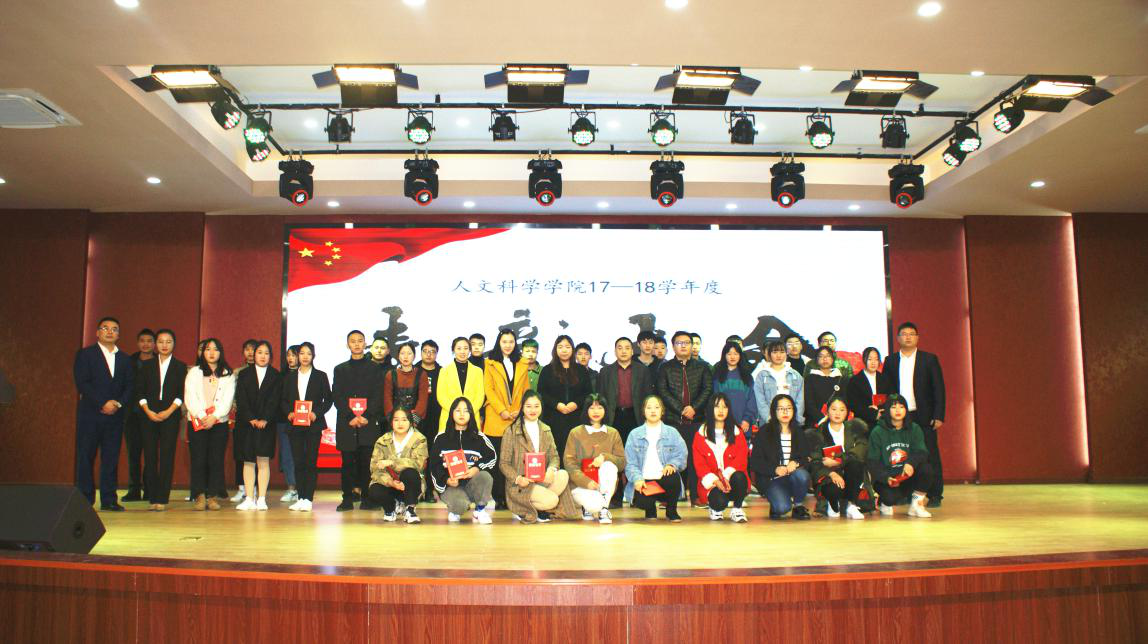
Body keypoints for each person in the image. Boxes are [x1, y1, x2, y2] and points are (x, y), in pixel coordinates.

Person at [73, 316, 135, 511]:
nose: (110, 332)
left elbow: (130, 386)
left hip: (115, 416)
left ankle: (108, 500)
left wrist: (117, 403)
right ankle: (85, 499)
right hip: (90, 415)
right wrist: (102, 403)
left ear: (119, 334)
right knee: (86, 457)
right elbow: (82, 382)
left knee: (111, 458)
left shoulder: (125, 359)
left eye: (114, 329)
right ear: (97, 332)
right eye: (105, 328)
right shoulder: (86, 354)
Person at [883, 322, 946, 507]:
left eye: (912, 334)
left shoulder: (929, 359)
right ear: (898, 338)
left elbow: (939, 389)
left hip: (924, 415)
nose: (908, 337)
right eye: (904, 334)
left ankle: (935, 495)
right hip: (899, 416)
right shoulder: (891, 361)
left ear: (917, 338)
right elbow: (886, 390)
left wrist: (939, 415)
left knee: (930, 454)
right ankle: (905, 492)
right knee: (901, 454)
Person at [500, 390, 579, 523]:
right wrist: (518, 479)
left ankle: (539, 507)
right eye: (528, 406)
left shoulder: (546, 429)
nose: (533, 410)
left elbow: (554, 457)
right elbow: (503, 463)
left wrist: (551, 470)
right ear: (522, 408)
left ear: (541, 407)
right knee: (553, 500)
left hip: (541, 480)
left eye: (536, 406)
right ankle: (526, 508)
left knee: (563, 474)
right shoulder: (511, 430)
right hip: (522, 484)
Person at [655, 330, 712, 505]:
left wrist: (694, 408)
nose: (683, 346)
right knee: (672, 458)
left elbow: (708, 389)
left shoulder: (703, 367)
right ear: (673, 347)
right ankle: (671, 496)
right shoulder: (665, 367)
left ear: (692, 345)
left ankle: (696, 496)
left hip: (697, 420)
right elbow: (663, 391)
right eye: (679, 343)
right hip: (673, 421)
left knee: (696, 459)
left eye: (687, 342)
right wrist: (681, 409)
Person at [332, 330, 384, 511]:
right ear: (348, 344)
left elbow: (378, 395)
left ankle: (367, 499)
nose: (356, 344)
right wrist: (351, 416)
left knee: (366, 463)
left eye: (360, 341)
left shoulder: (375, 369)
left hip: (368, 423)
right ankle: (347, 499)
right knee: (347, 464)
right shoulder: (340, 369)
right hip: (347, 424)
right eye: (353, 341)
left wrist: (365, 416)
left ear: (365, 343)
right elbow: (337, 396)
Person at [134, 329, 185, 511]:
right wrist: (147, 411)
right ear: (156, 344)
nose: (164, 345)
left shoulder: (180, 366)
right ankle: (152, 497)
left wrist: (169, 411)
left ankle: (162, 498)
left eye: (168, 341)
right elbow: (139, 391)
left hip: (170, 416)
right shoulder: (147, 365)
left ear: (174, 344)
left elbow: (181, 394)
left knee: (167, 456)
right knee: (150, 456)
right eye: (161, 341)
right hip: (148, 415)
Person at [184, 338, 235, 511]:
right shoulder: (194, 372)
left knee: (216, 460)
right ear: (202, 352)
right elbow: (190, 397)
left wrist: (214, 417)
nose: (211, 353)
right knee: (198, 459)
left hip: (218, 423)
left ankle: (212, 496)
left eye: (215, 349)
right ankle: (199, 496)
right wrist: (202, 416)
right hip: (197, 422)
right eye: (208, 349)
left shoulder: (227, 373)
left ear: (221, 352)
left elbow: (228, 399)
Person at [428, 397, 497, 523]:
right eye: (458, 410)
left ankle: (480, 510)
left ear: (471, 414)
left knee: (485, 476)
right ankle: (456, 508)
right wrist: (446, 479)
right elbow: (434, 465)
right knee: (460, 506)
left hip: (472, 485)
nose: (462, 414)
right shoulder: (441, 438)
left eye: (466, 411)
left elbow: (492, 457)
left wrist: (477, 468)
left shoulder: (479, 437)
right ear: (451, 413)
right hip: (452, 487)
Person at [282, 341, 332, 512]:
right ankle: (300, 497)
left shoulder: (320, 376)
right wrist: (289, 412)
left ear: (313, 356)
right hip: (294, 425)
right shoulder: (289, 377)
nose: (305, 357)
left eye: (308, 353)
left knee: (310, 461)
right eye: (302, 353)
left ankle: (308, 498)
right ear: (298, 356)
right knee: (298, 461)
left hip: (313, 425)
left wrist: (316, 413)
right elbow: (283, 400)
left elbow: (328, 400)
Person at [482, 329, 530, 508]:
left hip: (516, 417)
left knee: (513, 459)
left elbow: (526, 390)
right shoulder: (490, 363)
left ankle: (513, 497)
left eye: (511, 342)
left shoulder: (522, 363)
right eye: (504, 342)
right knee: (497, 460)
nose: (508, 345)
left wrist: (520, 410)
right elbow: (489, 390)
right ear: (498, 343)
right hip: (496, 416)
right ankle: (498, 497)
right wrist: (501, 410)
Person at [234, 341, 282, 511]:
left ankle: (261, 498)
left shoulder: (276, 375)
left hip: (266, 425)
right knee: (248, 461)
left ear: (271, 356)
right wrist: (251, 418)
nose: (263, 356)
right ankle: (249, 498)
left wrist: (265, 419)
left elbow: (275, 400)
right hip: (246, 424)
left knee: (263, 460)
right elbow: (241, 399)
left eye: (266, 353)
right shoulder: (244, 374)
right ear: (254, 355)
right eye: (259, 352)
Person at [867, 394, 933, 518]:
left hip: (906, 475)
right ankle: (884, 502)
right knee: (890, 498)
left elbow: (922, 452)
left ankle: (916, 505)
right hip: (888, 479)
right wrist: (885, 477)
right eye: (893, 407)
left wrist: (911, 463)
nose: (898, 410)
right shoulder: (877, 432)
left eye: (901, 407)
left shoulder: (914, 428)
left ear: (906, 410)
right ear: (887, 410)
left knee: (926, 469)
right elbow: (872, 462)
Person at [563, 393, 625, 523]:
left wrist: (605, 457)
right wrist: (586, 482)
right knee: (595, 505)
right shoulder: (575, 433)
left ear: (605, 410)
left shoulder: (613, 433)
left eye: (600, 408)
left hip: (604, 487)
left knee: (609, 465)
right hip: (581, 485)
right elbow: (569, 464)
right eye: (592, 408)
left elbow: (622, 462)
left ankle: (603, 511)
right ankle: (592, 507)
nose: (596, 412)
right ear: (586, 410)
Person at [624, 395, 686, 522]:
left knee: (673, 476)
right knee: (642, 502)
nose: (653, 411)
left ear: (662, 411)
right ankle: (650, 509)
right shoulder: (634, 434)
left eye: (657, 407)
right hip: (644, 481)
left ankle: (671, 510)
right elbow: (630, 463)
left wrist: (672, 464)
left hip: (664, 479)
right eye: (649, 407)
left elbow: (682, 455)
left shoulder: (672, 432)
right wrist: (637, 479)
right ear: (643, 411)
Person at [749, 394, 812, 520]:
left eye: (788, 408)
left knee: (802, 475)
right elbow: (755, 462)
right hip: (771, 479)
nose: (785, 412)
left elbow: (807, 457)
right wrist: (775, 469)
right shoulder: (764, 432)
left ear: (794, 410)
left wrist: (796, 463)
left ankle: (798, 506)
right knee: (782, 508)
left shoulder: (798, 432)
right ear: (774, 411)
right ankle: (777, 502)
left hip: (792, 477)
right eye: (781, 409)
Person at [809, 397, 870, 520]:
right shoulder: (818, 433)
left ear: (847, 412)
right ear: (827, 411)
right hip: (829, 475)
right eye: (834, 409)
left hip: (850, 473)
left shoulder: (855, 430)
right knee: (832, 489)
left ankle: (851, 505)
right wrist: (830, 473)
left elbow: (859, 453)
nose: (838, 413)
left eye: (842, 410)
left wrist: (839, 461)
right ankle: (832, 503)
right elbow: (815, 461)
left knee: (856, 464)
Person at [692, 393, 750, 522]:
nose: (721, 410)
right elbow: (700, 465)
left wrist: (726, 477)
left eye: (725, 407)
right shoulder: (700, 435)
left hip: (732, 481)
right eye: (717, 406)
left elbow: (741, 460)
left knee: (740, 476)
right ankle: (715, 508)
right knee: (719, 502)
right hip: (713, 484)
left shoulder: (737, 432)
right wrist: (715, 481)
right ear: (710, 409)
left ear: (729, 410)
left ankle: (737, 509)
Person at [368, 406, 428, 523]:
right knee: (374, 489)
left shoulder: (419, 439)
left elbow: (418, 464)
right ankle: (390, 508)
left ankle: (410, 509)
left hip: (411, 484)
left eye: (404, 419)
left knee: (410, 473)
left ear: (410, 422)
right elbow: (375, 468)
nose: (400, 423)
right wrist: (391, 482)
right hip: (390, 484)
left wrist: (392, 462)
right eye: (396, 420)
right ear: (391, 422)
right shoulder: (382, 441)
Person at [538, 335, 593, 456]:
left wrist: (576, 404)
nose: (564, 350)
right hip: (554, 418)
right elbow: (541, 393)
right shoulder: (547, 370)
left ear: (572, 350)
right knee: (556, 452)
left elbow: (588, 393)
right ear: (555, 349)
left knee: (577, 452)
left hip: (577, 417)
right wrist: (557, 405)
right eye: (560, 347)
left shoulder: (581, 370)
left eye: (567, 347)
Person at [596, 337, 653, 449]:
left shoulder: (643, 370)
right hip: (613, 416)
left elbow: (648, 395)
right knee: (614, 450)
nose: (623, 351)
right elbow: (600, 397)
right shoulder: (605, 371)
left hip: (636, 416)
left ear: (632, 351)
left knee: (636, 449)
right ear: (615, 351)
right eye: (620, 348)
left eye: (627, 348)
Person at [121, 328, 155, 503]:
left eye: (149, 341)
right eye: (142, 340)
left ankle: (149, 489)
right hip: (132, 414)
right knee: (133, 454)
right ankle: (133, 490)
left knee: (151, 454)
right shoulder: (129, 361)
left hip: (152, 415)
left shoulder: (160, 362)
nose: (146, 344)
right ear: (137, 343)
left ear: (154, 344)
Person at [435, 337, 486, 433]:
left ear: (470, 350)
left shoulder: (478, 371)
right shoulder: (444, 371)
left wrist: (468, 412)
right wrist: (456, 411)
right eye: (459, 348)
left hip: (472, 416)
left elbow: (480, 396)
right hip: (449, 416)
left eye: (466, 348)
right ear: (453, 350)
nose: (462, 352)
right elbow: (441, 396)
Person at [230, 339, 258, 504]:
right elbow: (232, 395)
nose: (250, 353)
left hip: (258, 419)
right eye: (247, 349)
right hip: (241, 418)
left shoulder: (264, 371)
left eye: (253, 349)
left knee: (257, 454)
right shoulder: (237, 372)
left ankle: (255, 488)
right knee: (240, 453)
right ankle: (241, 488)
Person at [752, 341, 805, 427]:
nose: (778, 355)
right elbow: (760, 400)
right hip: (768, 423)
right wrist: (769, 418)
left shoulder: (795, 375)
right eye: (775, 352)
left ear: (786, 353)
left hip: (791, 422)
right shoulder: (762, 375)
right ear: (769, 354)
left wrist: (795, 419)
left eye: (782, 352)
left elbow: (800, 400)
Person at [713, 342, 759, 433]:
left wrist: (747, 419)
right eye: (729, 354)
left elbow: (752, 400)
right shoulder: (718, 376)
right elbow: (714, 402)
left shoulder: (747, 377)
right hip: (722, 424)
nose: (732, 357)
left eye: (736, 354)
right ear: (724, 356)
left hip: (743, 425)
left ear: (740, 356)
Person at [383, 342, 430, 428]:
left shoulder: (421, 374)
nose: (405, 356)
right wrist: (393, 419)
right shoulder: (390, 374)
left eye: (409, 353)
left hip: (415, 422)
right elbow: (387, 400)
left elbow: (423, 400)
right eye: (402, 353)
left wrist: (413, 421)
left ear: (414, 356)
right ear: (398, 356)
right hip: (395, 421)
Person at [417, 339, 441, 502]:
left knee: (433, 454)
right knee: (417, 454)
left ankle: (430, 490)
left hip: (436, 419)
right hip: (417, 419)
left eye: (432, 352)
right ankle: (417, 489)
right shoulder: (415, 370)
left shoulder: (442, 371)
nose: (428, 354)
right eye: (425, 351)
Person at [846, 347, 892, 429]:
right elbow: (853, 404)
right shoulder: (855, 380)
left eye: (876, 359)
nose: (873, 362)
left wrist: (880, 411)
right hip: (863, 423)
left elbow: (889, 398)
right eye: (870, 359)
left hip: (883, 422)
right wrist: (872, 413)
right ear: (864, 360)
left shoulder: (884, 379)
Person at [277, 345, 300, 505]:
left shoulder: (307, 374)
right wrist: (288, 412)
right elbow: (278, 398)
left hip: (304, 420)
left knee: (301, 454)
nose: (291, 358)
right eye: (288, 355)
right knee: (287, 454)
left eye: (294, 355)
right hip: (284, 420)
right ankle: (291, 487)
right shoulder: (281, 376)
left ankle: (301, 488)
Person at [804, 347, 849, 428]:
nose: (824, 359)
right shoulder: (810, 379)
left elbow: (845, 401)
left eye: (828, 356)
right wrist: (821, 418)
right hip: (816, 423)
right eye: (821, 356)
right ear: (816, 360)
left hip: (838, 421)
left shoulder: (841, 379)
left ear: (832, 359)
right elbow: (808, 403)